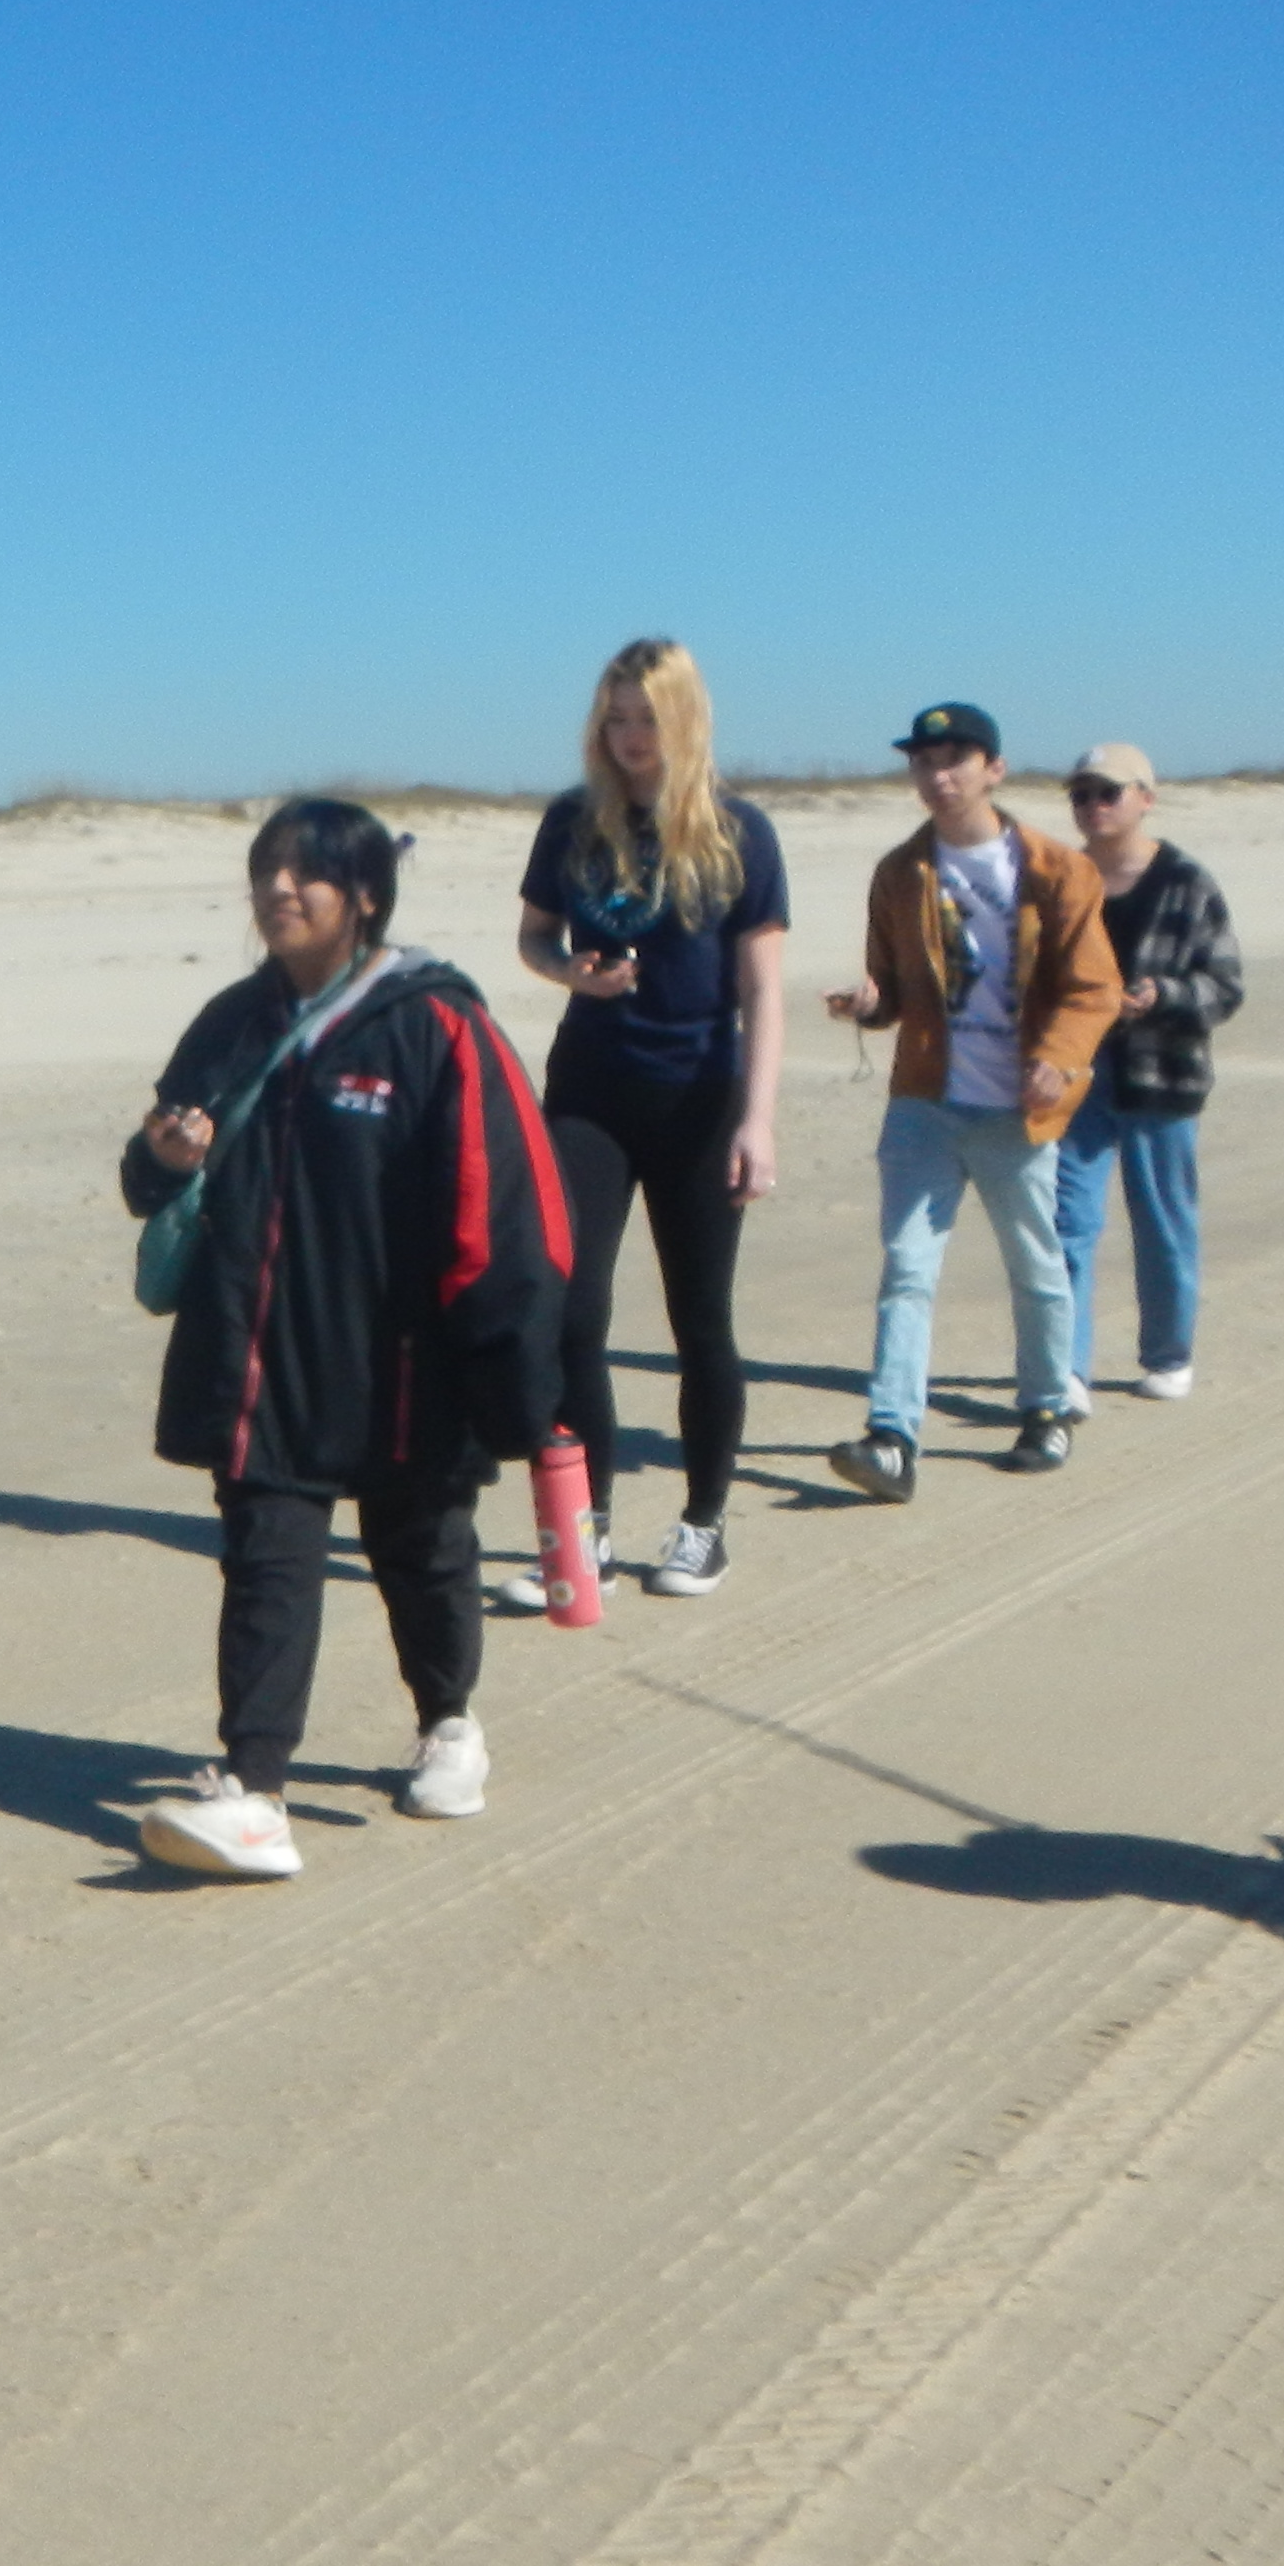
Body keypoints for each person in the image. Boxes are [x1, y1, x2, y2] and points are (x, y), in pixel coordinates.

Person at [120, 802, 568, 1882]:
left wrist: (517, 1380)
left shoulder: (435, 1022)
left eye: (306, 875)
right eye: (266, 873)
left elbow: (506, 1213)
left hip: (402, 1363)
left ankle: (450, 1721)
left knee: (420, 1547)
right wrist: (167, 1159)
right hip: (261, 1357)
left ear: (365, 896)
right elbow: (145, 1181)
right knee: (267, 1553)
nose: (280, 892)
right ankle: (255, 1786)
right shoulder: (231, 1022)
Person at [512, 638, 788, 1601]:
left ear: (685, 720)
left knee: (698, 1318)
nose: (630, 738)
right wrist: (569, 974)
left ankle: (703, 1525)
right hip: (590, 1090)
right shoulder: (571, 823)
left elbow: (764, 990)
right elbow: (535, 937)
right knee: (571, 1311)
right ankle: (583, 1528)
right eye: (615, 719)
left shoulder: (741, 833)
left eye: (647, 719)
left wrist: (758, 1120)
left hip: (702, 1099)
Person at [818, 703, 1123, 1499]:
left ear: (995, 768)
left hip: (1016, 1108)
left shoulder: (1058, 870)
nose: (937, 775)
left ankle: (1047, 1406)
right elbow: (892, 990)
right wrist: (867, 1003)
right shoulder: (900, 872)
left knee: (1035, 1262)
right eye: (923, 761)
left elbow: (1095, 989)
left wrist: (1058, 1061)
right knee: (908, 1267)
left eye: (954, 759)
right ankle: (892, 1436)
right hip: (926, 1099)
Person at [1053, 742, 1242, 1398]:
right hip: (1078, 1076)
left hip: (1164, 1076)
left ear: (1145, 799)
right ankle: (1066, 1368)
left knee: (1163, 1218)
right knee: (1067, 1220)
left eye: (1109, 793)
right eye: (1081, 794)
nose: (1093, 806)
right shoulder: (1063, 879)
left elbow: (1225, 985)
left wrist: (1164, 997)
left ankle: (1167, 1355)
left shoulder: (1187, 882)